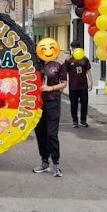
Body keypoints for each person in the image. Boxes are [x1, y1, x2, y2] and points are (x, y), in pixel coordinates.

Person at [33, 38, 68, 177]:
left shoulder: (59, 65)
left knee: (51, 134)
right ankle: (44, 162)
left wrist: (50, 88)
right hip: (37, 104)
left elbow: (64, 83)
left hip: (53, 102)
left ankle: (56, 163)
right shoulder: (36, 65)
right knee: (40, 133)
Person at [64, 40, 93, 128]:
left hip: (83, 85)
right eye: (73, 48)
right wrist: (64, 82)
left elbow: (88, 71)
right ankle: (75, 120)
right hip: (73, 86)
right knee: (74, 104)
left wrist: (91, 82)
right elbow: (65, 72)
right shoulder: (69, 59)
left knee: (84, 103)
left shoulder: (84, 59)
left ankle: (83, 120)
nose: (74, 50)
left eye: (76, 48)